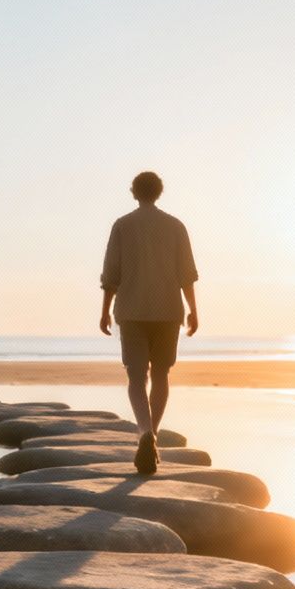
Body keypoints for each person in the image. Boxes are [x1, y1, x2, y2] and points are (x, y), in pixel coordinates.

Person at [98, 171, 199, 475]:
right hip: (168, 310)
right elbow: (187, 275)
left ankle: (145, 433)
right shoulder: (176, 226)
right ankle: (152, 433)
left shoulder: (122, 226)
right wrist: (194, 310)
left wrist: (104, 311)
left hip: (131, 310)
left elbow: (111, 274)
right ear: (159, 192)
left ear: (133, 191)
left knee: (136, 375)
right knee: (162, 374)